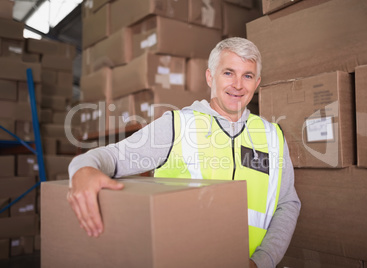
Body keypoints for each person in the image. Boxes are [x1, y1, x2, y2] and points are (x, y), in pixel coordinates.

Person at [68, 37, 301, 268]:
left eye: (247, 75)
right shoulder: (177, 126)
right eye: (228, 73)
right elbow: (111, 156)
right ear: (210, 76)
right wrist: (83, 169)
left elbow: (287, 204)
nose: (238, 84)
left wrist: (261, 262)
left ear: (257, 82)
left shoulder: (273, 137)